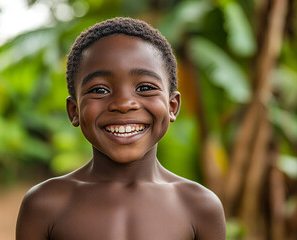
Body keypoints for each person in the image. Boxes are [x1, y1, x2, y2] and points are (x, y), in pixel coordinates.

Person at [16, 17, 226, 240]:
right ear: (74, 110)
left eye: (145, 87)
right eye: (99, 90)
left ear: (172, 106)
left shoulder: (199, 206)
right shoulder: (44, 205)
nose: (124, 104)